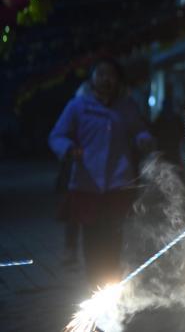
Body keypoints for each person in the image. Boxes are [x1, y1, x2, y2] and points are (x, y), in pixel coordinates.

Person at [48, 57, 154, 287]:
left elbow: (138, 130)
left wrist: (143, 140)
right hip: (87, 183)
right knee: (92, 237)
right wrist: (68, 149)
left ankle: (110, 284)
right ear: (92, 78)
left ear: (117, 79)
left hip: (118, 183)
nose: (106, 79)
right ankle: (95, 285)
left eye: (110, 74)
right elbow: (57, 135)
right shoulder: (78, 106)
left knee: (114, 236)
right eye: (101, 74)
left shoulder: (126, 106)